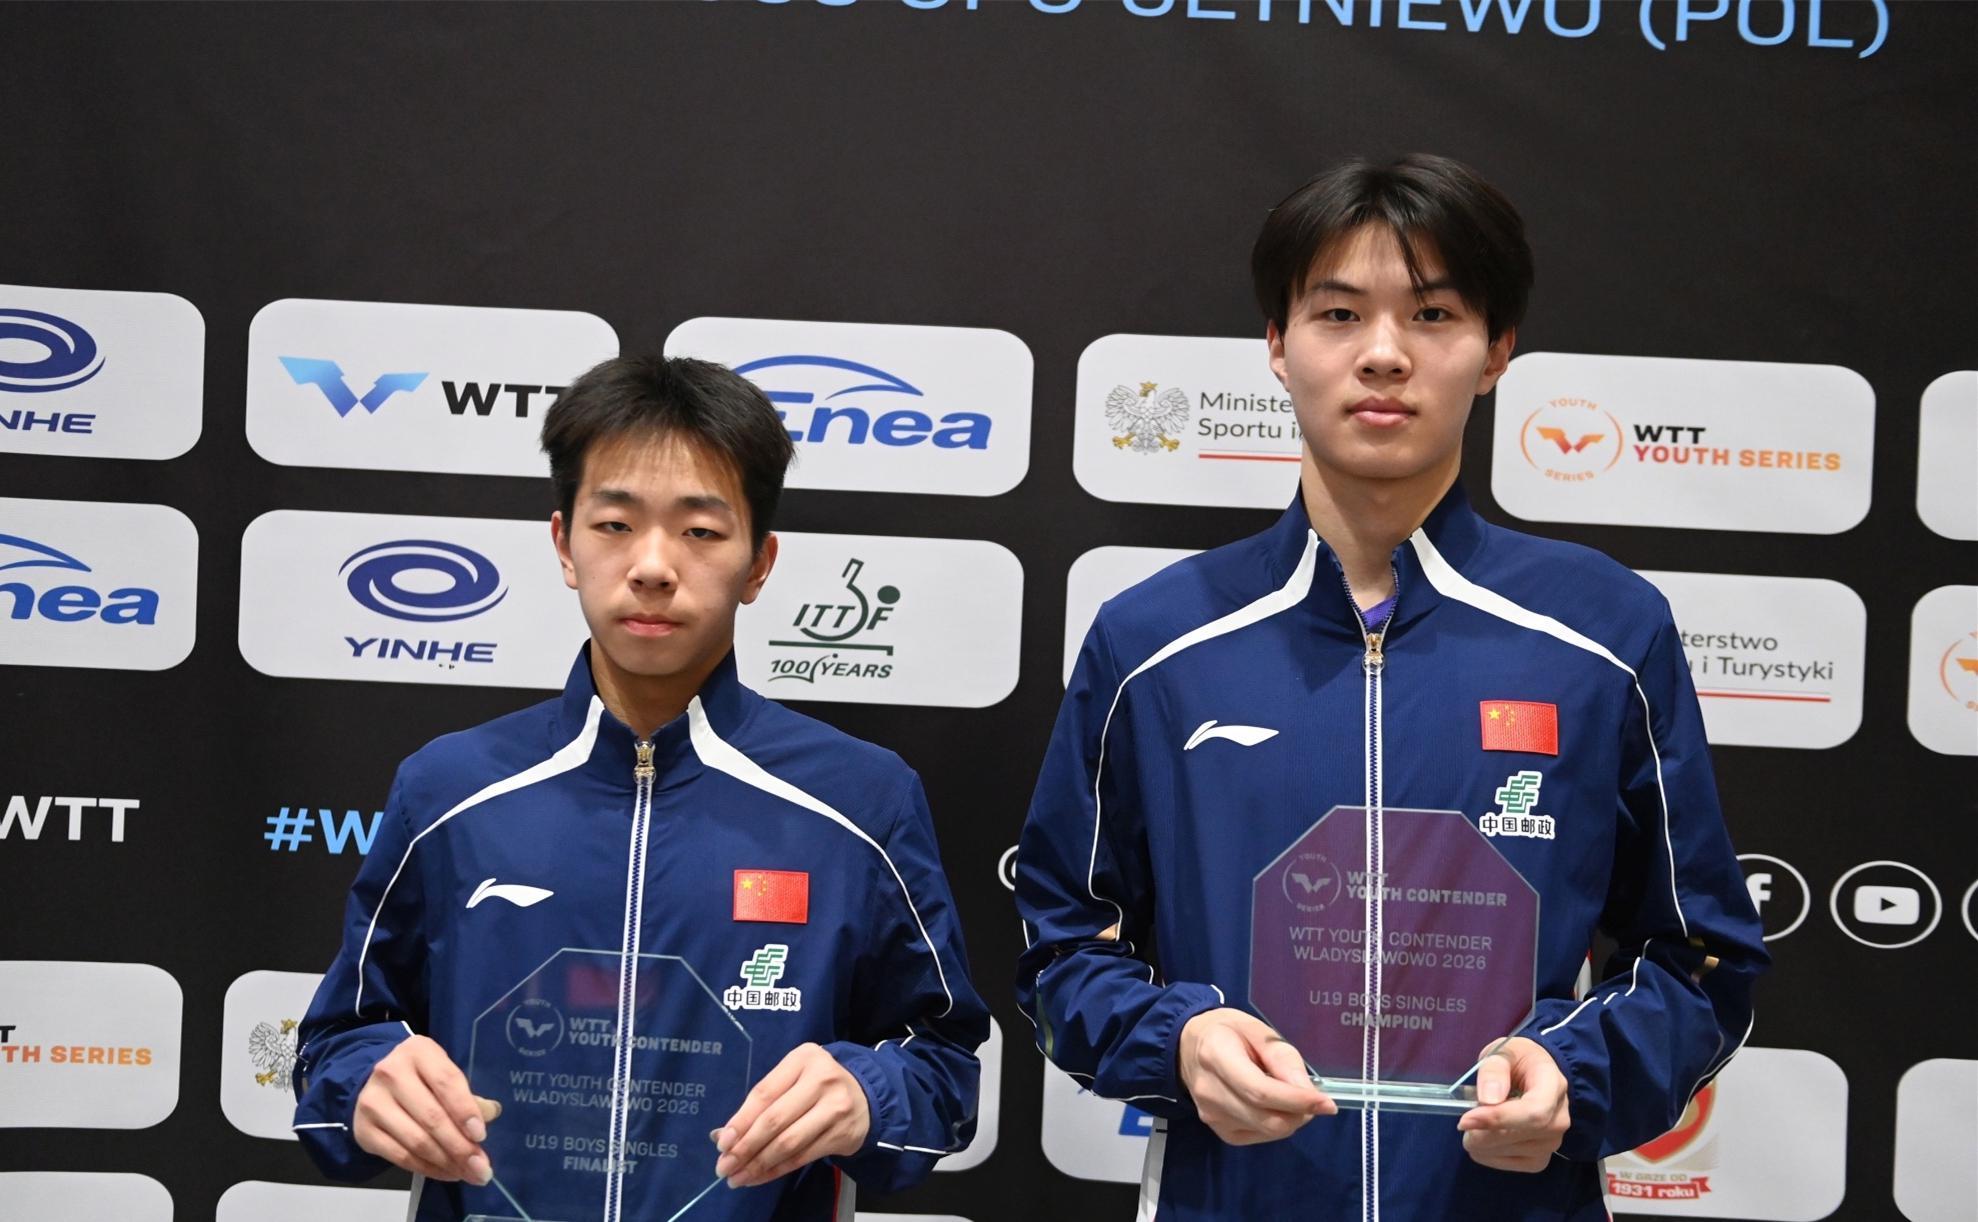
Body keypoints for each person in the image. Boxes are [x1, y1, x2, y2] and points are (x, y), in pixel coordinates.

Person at [1013, 154, 1766, 1221]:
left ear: (1495, 351)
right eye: (1337, 314)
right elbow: (1059, 949)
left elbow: (1699, 957)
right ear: (1277, 346)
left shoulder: (1603, 631)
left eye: (1432, 314)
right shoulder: (1155, 642)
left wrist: (1574, 1070)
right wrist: (1177, 1040)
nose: (1382, 353)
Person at [293, 355, 987, 1221]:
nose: (653, 565)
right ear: (564, 544)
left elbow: (944, 1068)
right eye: (616, 524)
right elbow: (335, 1044)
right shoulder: (448, 790)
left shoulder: (861, 801)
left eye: (700, 531)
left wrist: (868, 1095)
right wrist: (365, 1081)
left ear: (760, 563)